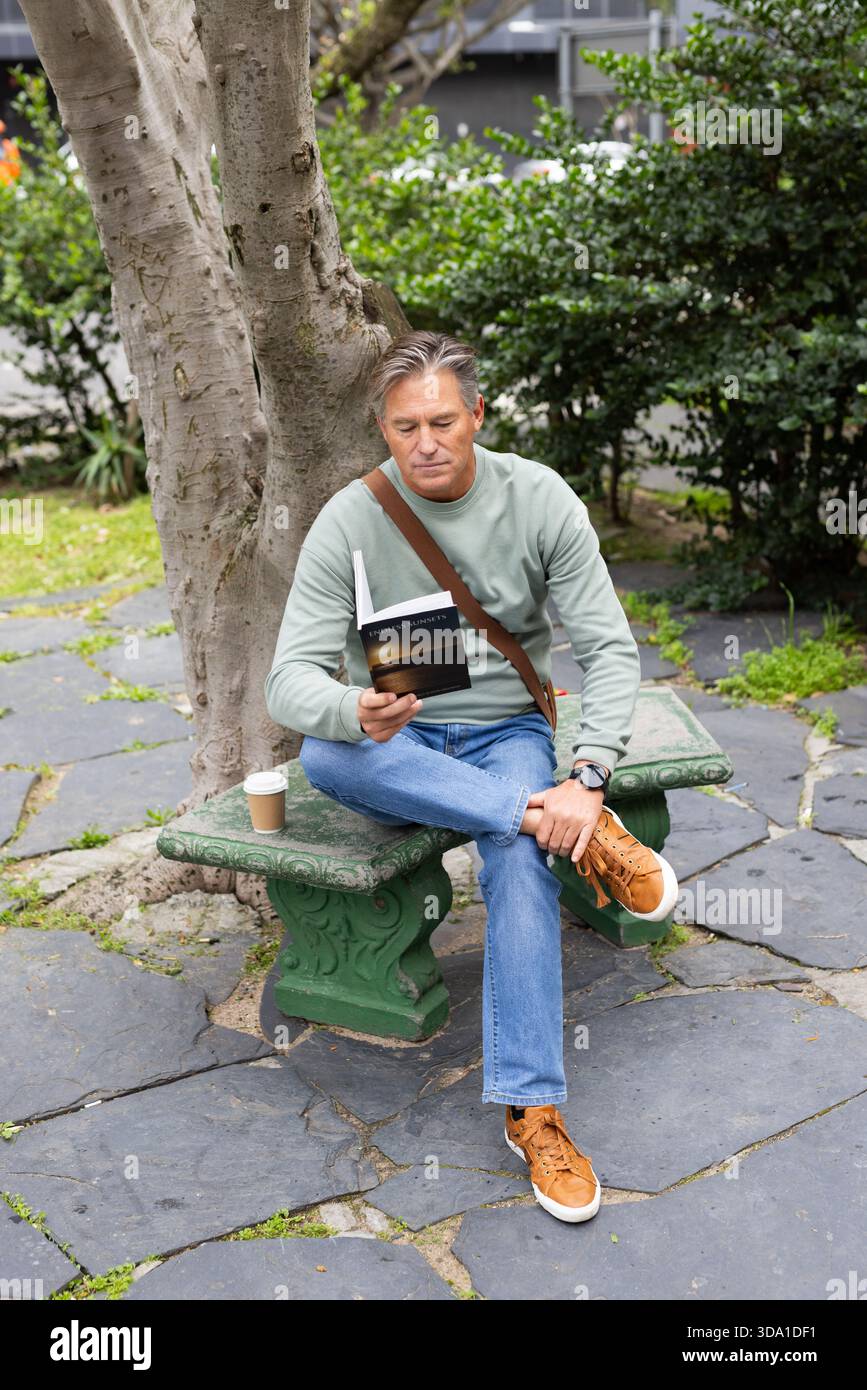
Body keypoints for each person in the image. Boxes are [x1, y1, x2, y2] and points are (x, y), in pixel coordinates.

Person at [264, 330, 677, 1224]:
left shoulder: (537, 499)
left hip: (505, 735)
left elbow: (608, 651)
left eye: (442, 421)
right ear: (382, 428)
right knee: (326, 752)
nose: (425, 443)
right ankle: (555, 822)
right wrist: (351, 710)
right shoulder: (349, 518)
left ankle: (533, 1110)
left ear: (477, 414)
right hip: (396, 744)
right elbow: (287, 678)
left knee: (522, 865)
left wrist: (590, 775)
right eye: (404, 426)